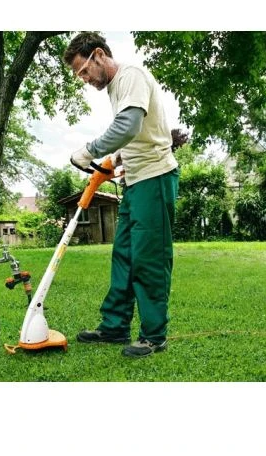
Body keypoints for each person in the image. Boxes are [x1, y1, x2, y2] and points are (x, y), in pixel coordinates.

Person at [63, 32, 179, 358]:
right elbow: (137, 136)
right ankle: (115, 325)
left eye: (84, 71)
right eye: (79, 76)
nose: (84, 79)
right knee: (124, 255)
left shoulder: (131, 76)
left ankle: (154, 336)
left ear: (99, 55)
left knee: (149, 257)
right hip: (135, 182)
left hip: (155, 178)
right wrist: (113, 160)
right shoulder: (116, 87)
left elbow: (128, 126)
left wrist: (90, 151)